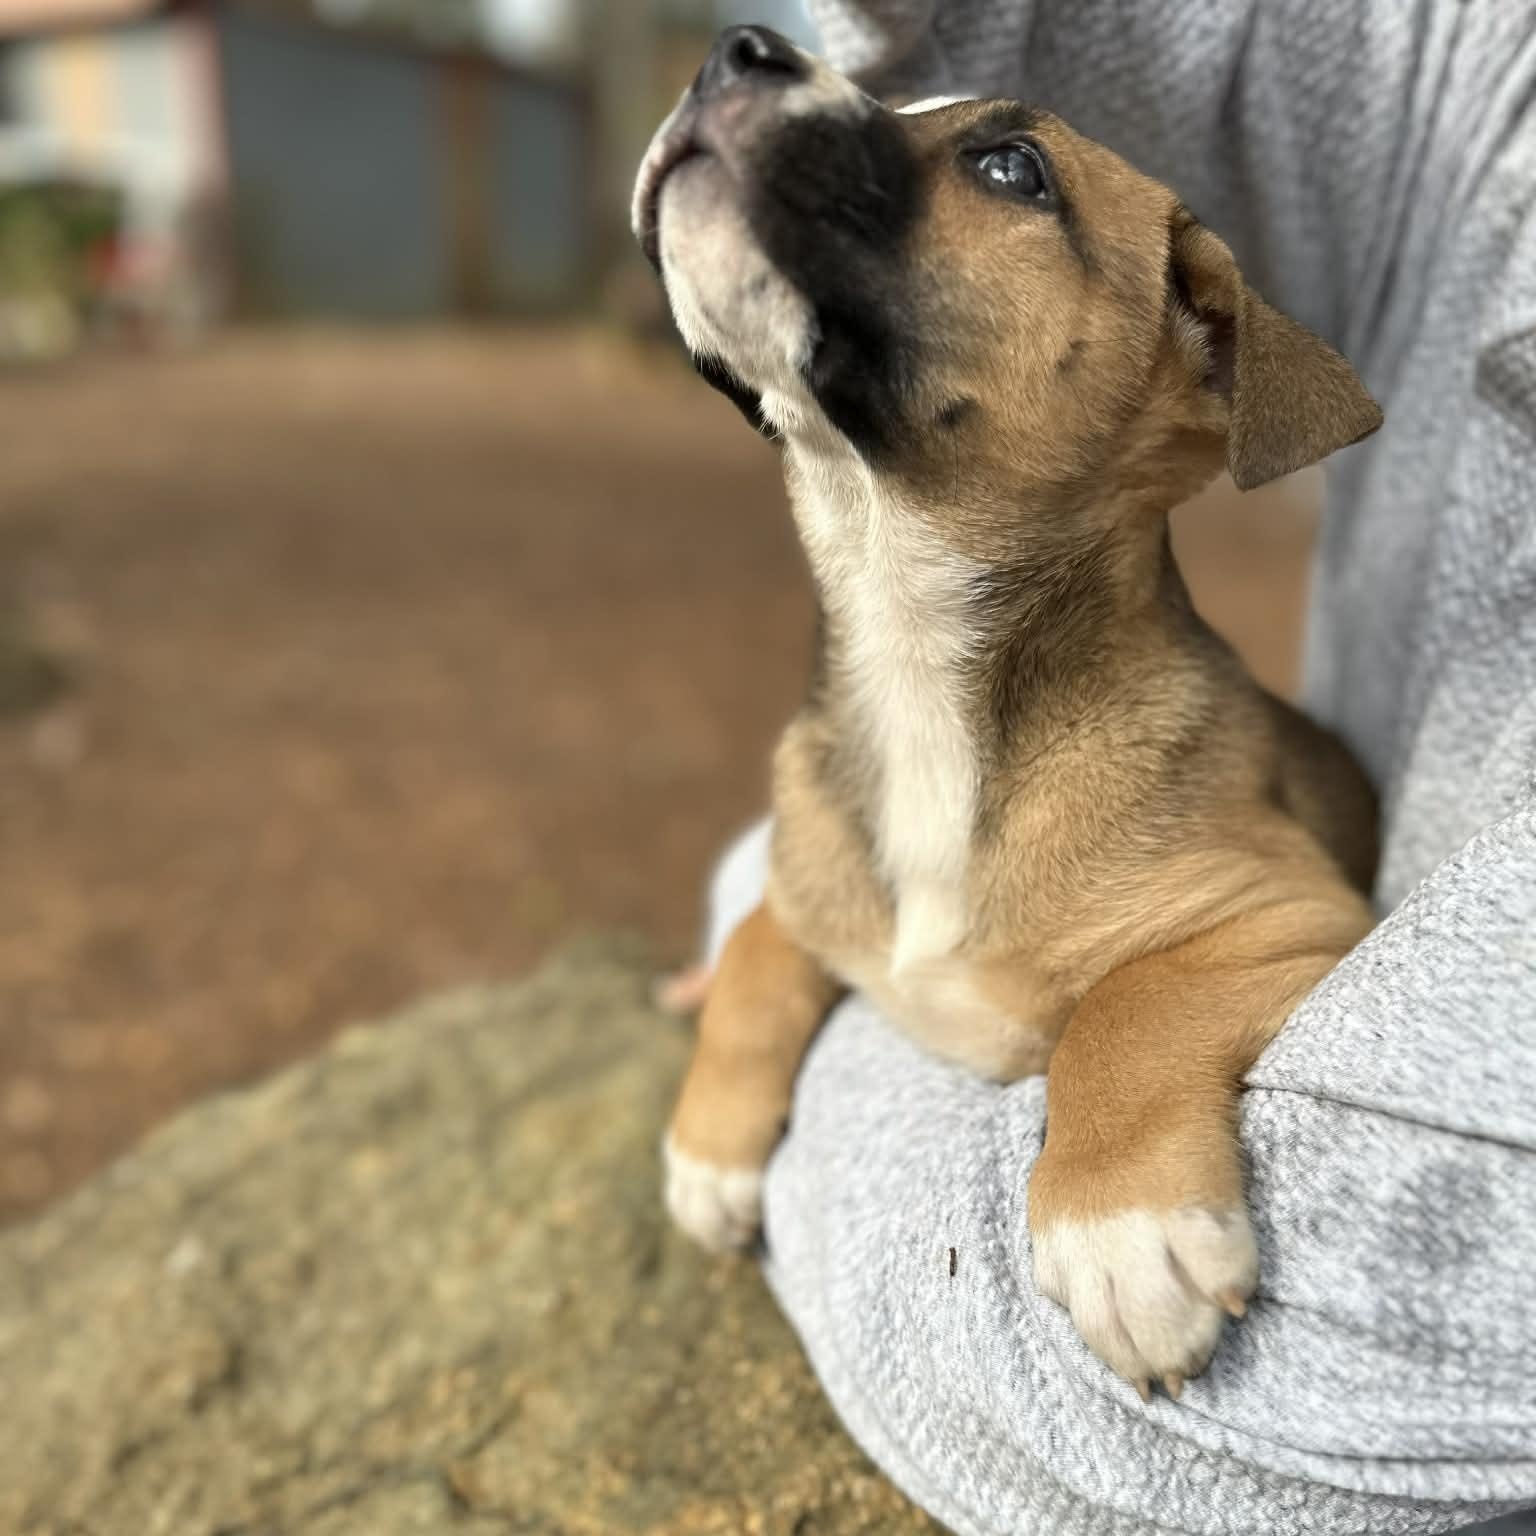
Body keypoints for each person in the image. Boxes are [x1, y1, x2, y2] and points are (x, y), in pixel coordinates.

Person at [699, 3, 1536, 1532]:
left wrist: (1123, 1101)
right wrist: (757, 982)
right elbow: (797, 902)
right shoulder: (816, 817)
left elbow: (1286, 935)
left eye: (1006, 171)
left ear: (1195, 373)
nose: (752, 66)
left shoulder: (1155, 799)